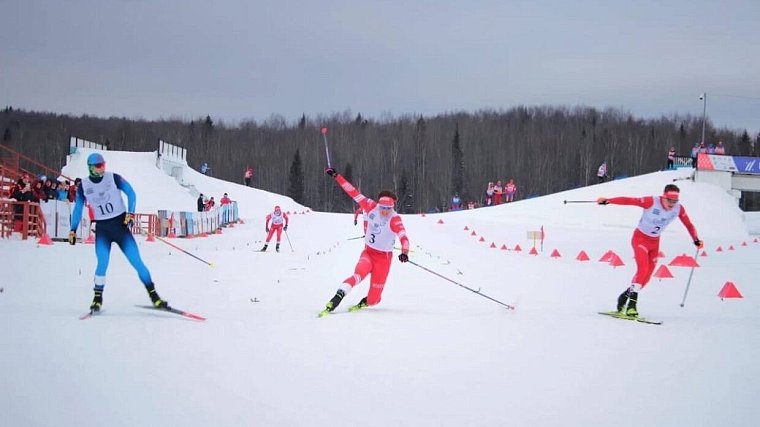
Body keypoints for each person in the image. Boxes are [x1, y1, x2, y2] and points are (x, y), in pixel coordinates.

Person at [68, 152, 169, 313]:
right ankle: (97, 298)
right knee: (102, 263)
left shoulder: (113, 178)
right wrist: (72, 229)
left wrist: (131, 213)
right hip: (103, 230)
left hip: (120, 227)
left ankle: (154, 296)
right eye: (99, 166)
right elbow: (78, 208)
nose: (103, 168)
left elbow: (131, 193)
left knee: (137, 262)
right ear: (91, 168)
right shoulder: (84, 186)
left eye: (104, 165)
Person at [596, 184, 702, 317]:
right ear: (663, 197)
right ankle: (631, 306)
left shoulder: (678, 209)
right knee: (643, 269)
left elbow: (689, 225)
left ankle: (624, 297)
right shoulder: (651, 201)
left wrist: (696, 239)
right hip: (640, 239)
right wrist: (609, 200)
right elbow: (629, 200)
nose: (671, 204)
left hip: (654, 243)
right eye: (669, 200)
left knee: (645, 278)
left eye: (675, 201)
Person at [319, 167, 410, 315]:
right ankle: (337, 297)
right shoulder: (371, 206)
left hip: (383, 260)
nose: (384, 211)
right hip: (368, 253)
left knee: (374, 299)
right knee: (358, 275)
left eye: (388, 208)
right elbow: (353, 192)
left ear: (392, 207)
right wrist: (337, 176)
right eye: (382, 207)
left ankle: (365, 302)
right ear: (378, 204)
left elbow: (404, 238)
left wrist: (405, 252)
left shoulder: (394, 219)